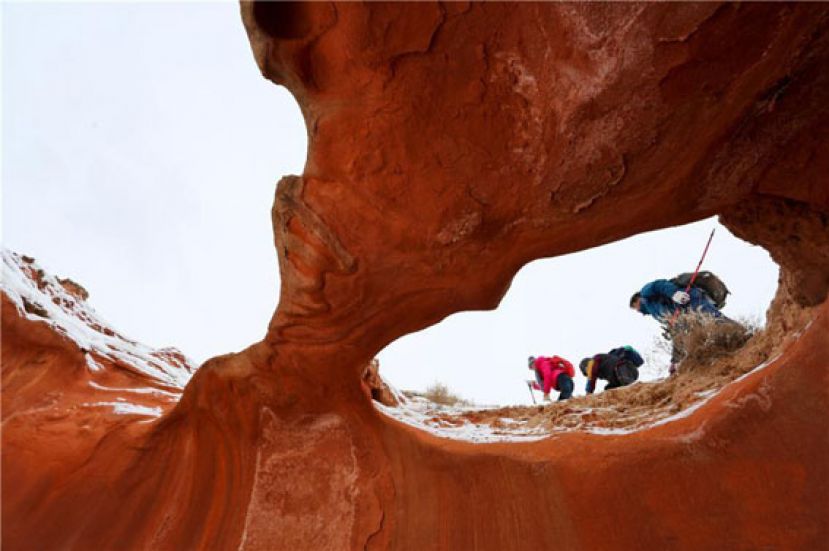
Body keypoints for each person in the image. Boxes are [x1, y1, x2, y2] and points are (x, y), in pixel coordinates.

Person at [630, 278, 726, 373]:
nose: (638, 311)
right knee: (698, 333)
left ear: (637, 300)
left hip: (689, 299)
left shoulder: (644, 293)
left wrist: (675, 294)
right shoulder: (655, 311)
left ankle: (736, 333)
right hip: (685, 315)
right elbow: (676, 334)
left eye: (635, 308)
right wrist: (674, 361)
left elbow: (658, 285)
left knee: (714, 319)